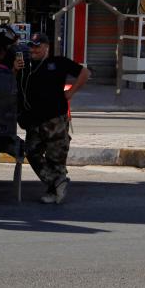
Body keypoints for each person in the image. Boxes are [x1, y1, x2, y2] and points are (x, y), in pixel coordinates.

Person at [13, 32, 90, 204]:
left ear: (46, 47)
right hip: (34, 119)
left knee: (56, 157)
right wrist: (15, 69)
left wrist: (71, 92)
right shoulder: (26, 66)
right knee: (32, 152)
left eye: (37, 46)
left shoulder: (58, 63)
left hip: (54, 119)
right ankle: (57, 182)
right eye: (31, 46)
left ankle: (54, 190)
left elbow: (85, 72)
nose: (34, 49)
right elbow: (13, 84)